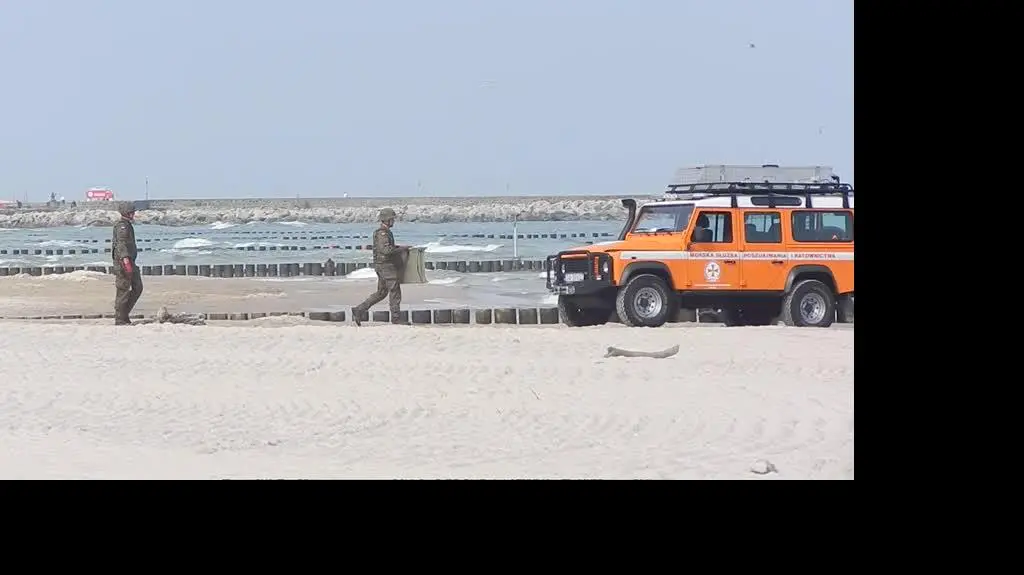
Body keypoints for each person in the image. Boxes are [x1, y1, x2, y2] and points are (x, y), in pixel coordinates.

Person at [352, 208, 410, 325]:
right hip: (386, 266)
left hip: (383, 266)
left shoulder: (385, 232)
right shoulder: (382, 233)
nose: (393, 221)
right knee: (395, 291)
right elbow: (386, 250)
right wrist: (401, 249)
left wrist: (400, 247)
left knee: (382, 292)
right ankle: (396, 318)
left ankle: (359, 310)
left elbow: (387, 247)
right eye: (392, 219)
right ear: (387, 220)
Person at [112, 201, 143, 325]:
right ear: (127, 213)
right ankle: (120, 318)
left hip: (130, 261)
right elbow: (121, 245)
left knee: (138, 287)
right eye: (132, 212)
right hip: (123, 263)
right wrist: (126, 261)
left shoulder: (127, 225)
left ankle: (124, 314)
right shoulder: (122, 227)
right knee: (123, 290)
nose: (133, 214)